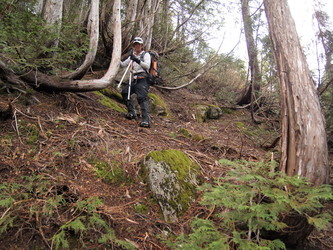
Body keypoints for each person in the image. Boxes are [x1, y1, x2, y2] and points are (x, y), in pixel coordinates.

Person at [120, 37, 151, 128]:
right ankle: (132, 112)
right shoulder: (132, 55)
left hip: (143, 79)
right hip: (134, 79)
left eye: (139, 44)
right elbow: (123, 64)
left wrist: (137, 60)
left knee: (142, 98)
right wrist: (116, 57)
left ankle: (146, 120)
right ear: (133, 45)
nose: (137, 46)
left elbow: (147, 66)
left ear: (142, 45)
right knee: (125, 92)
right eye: (135, 44)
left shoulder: (146, 55)